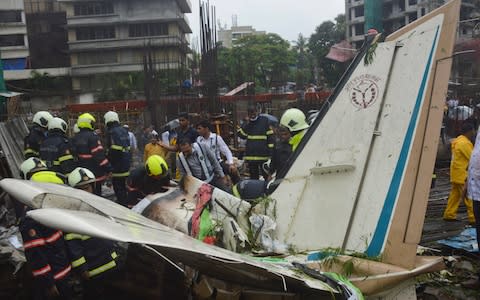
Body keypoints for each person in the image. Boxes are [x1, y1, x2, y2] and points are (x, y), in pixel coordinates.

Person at [65, 167, 120, 299]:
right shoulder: (71, 216)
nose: (85, 191)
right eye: (81, 188)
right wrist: (83, 269)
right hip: (92, 271)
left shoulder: (98, 207)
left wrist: (114, 255)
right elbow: (73, 246)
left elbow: (107, 235)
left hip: (110, 265)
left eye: (87, 187)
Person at [19, 171, 73, 299]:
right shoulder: (31, 220)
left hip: (63, 273)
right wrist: (49, 284)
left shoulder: (48, 213)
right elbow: (36, 256)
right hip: (54, 280)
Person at [443, 122, 476, 224]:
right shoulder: (464, 143)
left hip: (456, 173)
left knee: (455, 195)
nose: (474, 133)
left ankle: (449, 214)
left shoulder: (459, 141)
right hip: (463, 174)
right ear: (469, 131)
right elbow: (472, 157)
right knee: (469, 196)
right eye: (473, 131)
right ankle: (473, 218)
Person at [72, 113, 111, 196]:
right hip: (95, 174)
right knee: (97, 196)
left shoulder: (74, 138)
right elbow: (99, 156)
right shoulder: (93, 137)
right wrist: (108, 168)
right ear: (88, 123)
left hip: (80, 175)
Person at [237, 106, 274, 179]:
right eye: (250, 113)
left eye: (253, 112)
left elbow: (270, 137)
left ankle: (267, 189)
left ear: (257, 112)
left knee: (266, 175)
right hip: (251, 156)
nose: (252, 114)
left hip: (263, 155)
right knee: (254, 177)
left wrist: (271, 152)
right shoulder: (248, 123)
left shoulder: (264, 121)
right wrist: (245, 123)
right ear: (248, 114)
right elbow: (242, 135)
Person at [104, 111, 131, 206]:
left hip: (117, 167)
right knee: (126, 188)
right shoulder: (124, 131)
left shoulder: (111, 132)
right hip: (126, 165)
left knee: (119, 190)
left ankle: (123, 207)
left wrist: (108, 165)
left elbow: (112, 151)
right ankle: (128, 205)